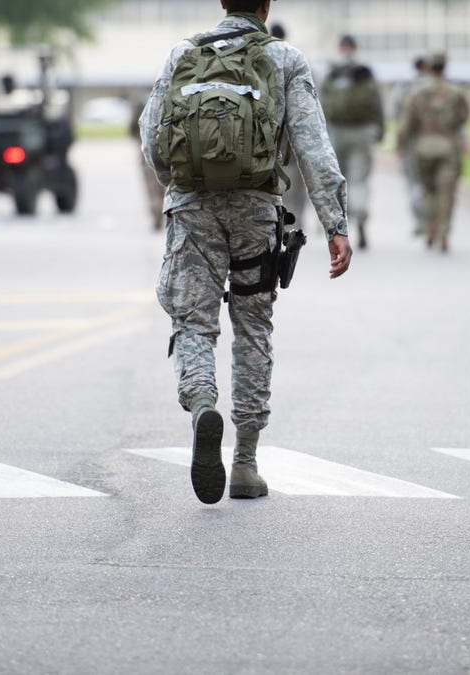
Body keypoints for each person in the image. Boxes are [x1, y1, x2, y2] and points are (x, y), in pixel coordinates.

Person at [140, 0, 352, 504]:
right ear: (265, 5)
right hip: (257, 210)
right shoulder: (285, 59)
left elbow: (152, 137)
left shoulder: (181, 54)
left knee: (193, 322)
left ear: (222, 3)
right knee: (253, 327)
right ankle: (246, 462)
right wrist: (335, 224)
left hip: (192, 209)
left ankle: (201, 406)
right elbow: (313, 146)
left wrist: (178, 189)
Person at [396, 52, 469, 253]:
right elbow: (464, 117)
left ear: (429, 67)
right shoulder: (456, 92)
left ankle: (429, 228)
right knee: (447, 192)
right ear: (445, 67)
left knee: (428, 190)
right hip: (448, 146)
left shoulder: (418, 92)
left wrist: (400, 145)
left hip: (424, 147)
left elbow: (407, 122)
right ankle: (444, 231)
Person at [320, 35, 384, 250]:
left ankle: (340, 228)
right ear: (355, 48)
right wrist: (380, 130)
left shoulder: (331, 72)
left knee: (339, 183)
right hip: (363, 131)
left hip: (337, 132)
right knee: (359, 180)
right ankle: (362, 215)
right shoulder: (365, 72)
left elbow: (320, 105)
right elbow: (377, 102)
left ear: (339, 47)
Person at [269, 22, 308, 223]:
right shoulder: (294, 59)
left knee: (274, 173)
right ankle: (296, 217)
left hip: (270, 131)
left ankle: (279, 216)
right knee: (296, 176)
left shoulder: (260, 60)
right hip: (293, 131)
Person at [392, 56, 430, 237]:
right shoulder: (439, 87)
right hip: (434, 140)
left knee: (413, 183)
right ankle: (432, 221)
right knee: (431, 184)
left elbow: (395, 115)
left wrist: (398, 144)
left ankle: (419, 222)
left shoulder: (405, 88)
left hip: (411, 143)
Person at [130, 94, 165, 230]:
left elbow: (132, 127)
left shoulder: (142, 102)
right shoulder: (169, 96)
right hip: (167, 149)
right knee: (166, 185)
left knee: (151, 186)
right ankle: (166, 214)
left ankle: (156, 213)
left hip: (147, 150)